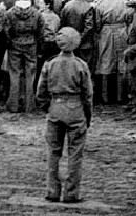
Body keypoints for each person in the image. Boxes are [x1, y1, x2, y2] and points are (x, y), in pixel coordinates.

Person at [36, 27, 93, 204]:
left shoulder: (50, 63)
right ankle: (71, 193)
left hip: (55, 108)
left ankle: (52, 191)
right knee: (75, 154)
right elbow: (88, 94)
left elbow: (40, 92)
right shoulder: (81, 65)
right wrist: (87, 115)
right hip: (76, 109)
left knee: (53, 152)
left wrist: (49, 107)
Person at [4, 0, 44, 113]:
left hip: (14, 45)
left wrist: (10, 41)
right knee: (30, 75)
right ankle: (29, 105)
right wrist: (39, 47)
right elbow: (41, 33)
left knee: (14, 74)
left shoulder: (10, 13)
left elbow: (6, 31)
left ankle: (13, 105)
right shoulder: (37, 13)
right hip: (31, 45)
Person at [93, 0, 128, 104]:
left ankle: (106, 97)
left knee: (105, 62)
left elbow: (97, 24)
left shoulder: (101, 4)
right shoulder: (123, 2)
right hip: (121, 31)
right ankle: (120, 96)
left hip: (106, 32)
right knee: (121, 62)